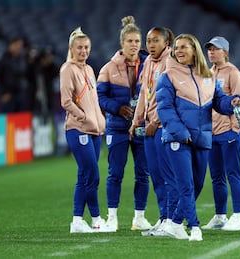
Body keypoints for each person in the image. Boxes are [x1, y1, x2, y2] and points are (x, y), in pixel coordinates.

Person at [156, 33, 240, 241]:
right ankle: (194, 227)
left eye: (184, 47)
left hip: (202, 139)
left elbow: (219, 101)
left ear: (194, 50)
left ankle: (176, 223)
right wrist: (179, 132)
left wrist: (231, 103)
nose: (179, 51)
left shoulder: (208, 76)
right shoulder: (167, 76)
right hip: (178, 139)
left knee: (197, 185)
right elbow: (165, 108)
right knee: (186, 185)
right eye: (176, 48)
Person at [96, 16, 151, 232]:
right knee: (115, 173)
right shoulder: (109, 67)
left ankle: (139, 217)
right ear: (122, 43)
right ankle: (112, 218)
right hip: (117, 127)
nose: (134, 45)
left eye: (137, 41)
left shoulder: (148, 65)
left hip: (140, 127)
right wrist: (117, 108)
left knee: (142, 173)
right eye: (130, 41)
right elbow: (99, 96)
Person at [60, 27, 113, 233]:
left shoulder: (89, 69)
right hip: (78, 129)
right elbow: (65, 101)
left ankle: (77, 221)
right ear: (71, 48)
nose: (83, 51)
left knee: (85, 175)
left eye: (86, 47)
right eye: (80, 47)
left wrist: (98, 119)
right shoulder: (67, 69)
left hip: (94, 130)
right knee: (92, 175)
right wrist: (83, 116)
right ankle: (97, 219)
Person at [129, 26, 176, 236]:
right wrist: (136, 120)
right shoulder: (148, 62)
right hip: (148, 127)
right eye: (148, 40)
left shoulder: (171, 62)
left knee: (168, 175)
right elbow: (144, 95)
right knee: (156, 175)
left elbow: (171, 98)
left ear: (166, 43)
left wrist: (155, 121)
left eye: (156, 40)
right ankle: (163, 217)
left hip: (163, 127)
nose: (151, 44)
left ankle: (172, 219)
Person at [201, 36, 240, 231]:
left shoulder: (234, 74)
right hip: (212, 132)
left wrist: (236, 129)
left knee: (233, 174)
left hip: (229, 131)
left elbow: (239, 102)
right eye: (209, 49)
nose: (211, 52)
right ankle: (220, 216)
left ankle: (238, 217)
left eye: (216, 49)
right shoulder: (208, 74)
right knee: (217, 177)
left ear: (225, 52)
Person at [0, 36, 29, 113]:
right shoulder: (2, 59)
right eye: (17, 45)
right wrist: (4, 92)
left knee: (22, 119)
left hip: (21, 93)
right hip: (8, 95)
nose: (19, 47)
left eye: (21, 45)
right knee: (10, 120)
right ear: (11, 45)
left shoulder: (21, 59)